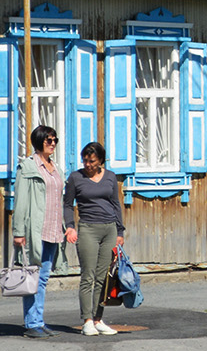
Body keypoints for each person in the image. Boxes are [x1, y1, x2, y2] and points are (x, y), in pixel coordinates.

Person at [64, 140, 127, 336]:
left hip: (109, 230)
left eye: (92, 161)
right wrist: (70, 227)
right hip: (88, 229)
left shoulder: (110, 177)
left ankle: (98, 319)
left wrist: (119, 232)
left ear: (100, 160)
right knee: (88, 276)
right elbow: (67, 205)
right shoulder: (75, 177)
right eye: (85, 161)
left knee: (103, 278)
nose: (88, 165)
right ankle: (87, 321)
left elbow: (116, 204)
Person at [11, 125, 67, 338]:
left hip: (53, 229)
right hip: (34, 230)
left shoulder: (56, 167)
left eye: (55, 140)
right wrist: (18, 231)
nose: (52, 144)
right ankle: (32, 323)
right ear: (39, 142)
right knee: (31, 277)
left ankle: (38, 320)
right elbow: (21, 200)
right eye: (48, 140)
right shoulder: (28, 167)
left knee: (42, 278)